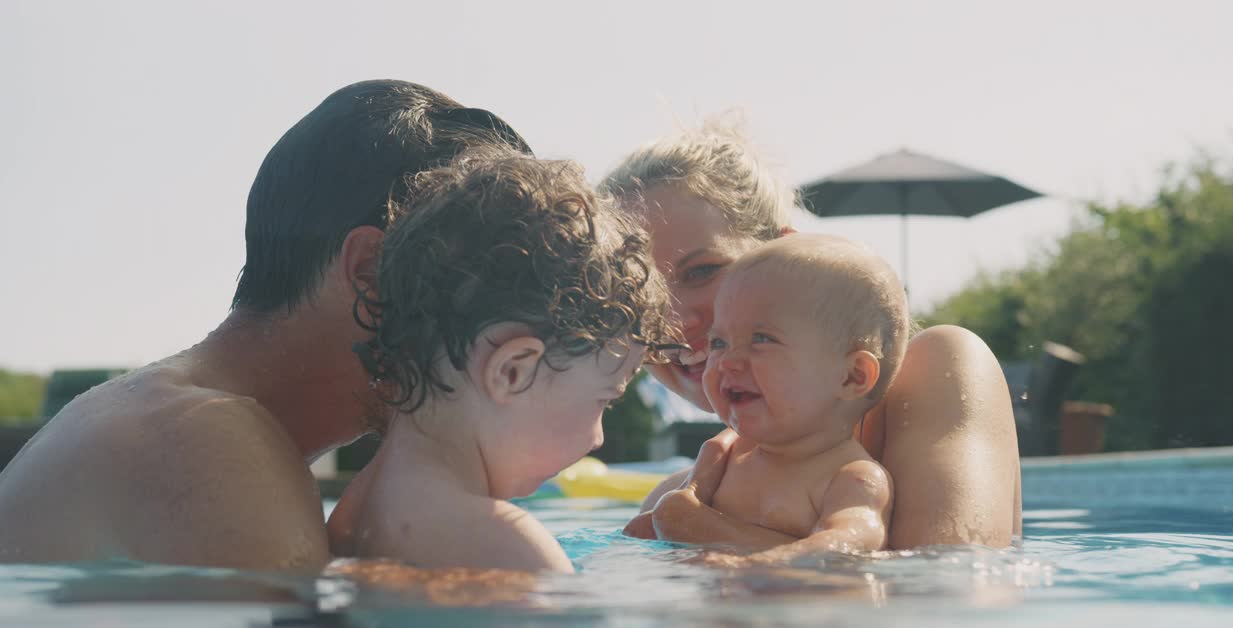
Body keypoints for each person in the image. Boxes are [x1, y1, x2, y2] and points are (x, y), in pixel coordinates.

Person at [0, 80, 532, 570]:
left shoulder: (170, 419)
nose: (525, 340)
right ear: (372, 273)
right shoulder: (207, 451)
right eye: (498, 290)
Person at [603, 120, 1022, 550]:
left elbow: (950, 588)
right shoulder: (675, 496)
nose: (672, 320)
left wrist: (701, 530)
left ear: (782, 254)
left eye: (703, 271)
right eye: (641, 290)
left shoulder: (941, 367)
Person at [327, 150, 673, 572]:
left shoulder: (349, 516)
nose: (599, 438)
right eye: (604, 400)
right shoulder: (507, 545)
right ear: (513, 371)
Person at [638, 234, 908, 561]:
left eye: (762, 339)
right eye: (719, 343)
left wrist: (761, 563)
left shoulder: (851, 479)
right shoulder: (722, 457)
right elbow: (653, 529)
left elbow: (849, 544)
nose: (727, 362)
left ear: (852, 376)